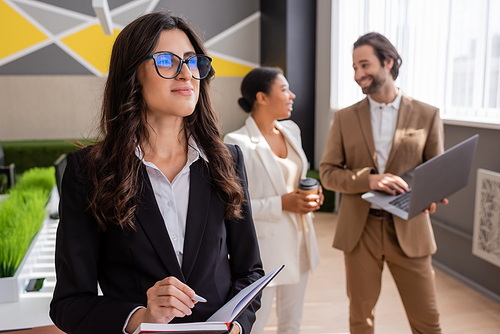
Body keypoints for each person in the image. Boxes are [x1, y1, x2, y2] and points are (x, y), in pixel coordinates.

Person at [49, 12, 264, 334]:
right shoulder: (89, 171)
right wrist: (140, 317)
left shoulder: (226, 160)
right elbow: (69, 303)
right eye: (167, 61)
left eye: (192, 62)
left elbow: (250, 273)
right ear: (132, 73)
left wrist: (236, 326)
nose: (186, 75)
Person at [319, 32, 447, 334]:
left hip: (410, 227)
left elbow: (436, 172)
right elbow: (327, 172)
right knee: (361, 321)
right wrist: (369, 180)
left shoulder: (428, 115)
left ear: (388, 62)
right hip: (360, 232)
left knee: (428, 321)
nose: (358, 74)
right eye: (354, 67)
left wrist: (433, 193)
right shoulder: (345, 118)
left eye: (364, 65)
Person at [224, 67, 322, 334]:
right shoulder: (236, 143)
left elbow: (299, 178)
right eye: (284, 89)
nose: (292, 95)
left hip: (300, 242)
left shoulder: (292, 131)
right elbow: (232, 208)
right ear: (262, 97)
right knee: (255, 324)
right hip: (266, 252)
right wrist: (282, 203)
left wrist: (313, 193)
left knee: (292, 323)